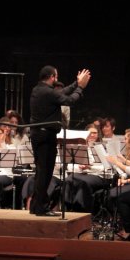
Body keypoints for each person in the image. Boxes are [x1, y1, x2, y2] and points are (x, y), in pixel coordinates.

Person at [29, 65, 91, 216]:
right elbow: (69, 100)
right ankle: (41, 208)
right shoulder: (48, 92)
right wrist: (81, 87)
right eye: (56, 77)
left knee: (41, 172)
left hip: (38, 135)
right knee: (45, 172)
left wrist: (76, 83)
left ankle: (36, 206)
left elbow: (61, 93)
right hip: (45, 136)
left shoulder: (38, 89)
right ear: (52, 77)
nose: (56, 79)